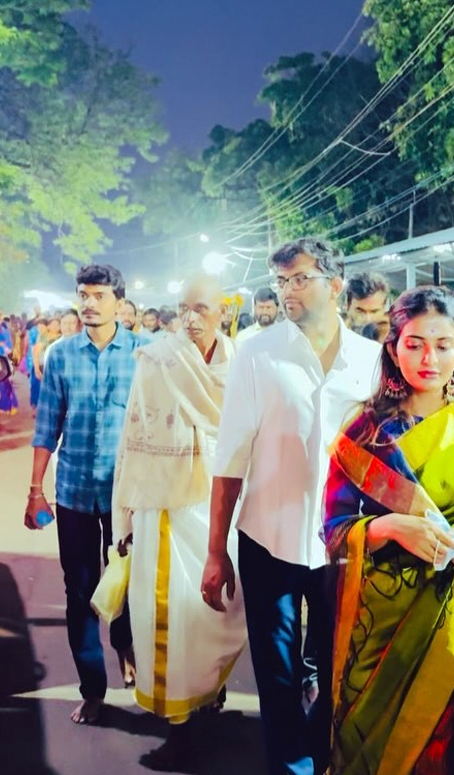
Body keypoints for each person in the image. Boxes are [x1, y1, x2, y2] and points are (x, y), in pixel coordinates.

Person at [201, 237, 381, 775]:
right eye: (281, 282)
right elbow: (230, 458)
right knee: (277, 669)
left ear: (335, 284)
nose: (287, 292)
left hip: (342, 544)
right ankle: (291, 764)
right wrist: (216, 551)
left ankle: (326, 753)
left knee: (336, 662)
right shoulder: (258, 352)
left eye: (300, 279)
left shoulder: (372, 361)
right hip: (267, 536)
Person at [325, 286, 454, 775]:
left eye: (441, 344)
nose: (428, 357)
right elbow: (333, 529)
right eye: (413, 344)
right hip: (381, 623)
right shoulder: (364, 432)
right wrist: (391, 526)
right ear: (393, 348)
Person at [112, 274, 247, 771]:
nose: (191, 318)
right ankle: (178, 726)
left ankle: (208, 694)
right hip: (165, 506)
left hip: (224, 502)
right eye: (183, 308)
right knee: (167, 613)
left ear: (224, 314)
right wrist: (123, 511)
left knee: (217, 611)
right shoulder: (156, 360)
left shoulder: (241, 362)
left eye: (202, 309)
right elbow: (132, 433)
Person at [25, 264, 146, 726]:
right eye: (83, 294)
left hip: (128, 497)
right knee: (78, 592)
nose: (90, 303)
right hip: (74, 491)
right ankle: (93, 689)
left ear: (119, 301)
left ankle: (125, 644)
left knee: (131, 585)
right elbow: (46, 426)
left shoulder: (145, 353)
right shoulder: (60, 355)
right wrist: (36, 491)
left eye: (99, 295)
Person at [0, 318, 18, 417]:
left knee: (4, 384)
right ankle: (8, 406)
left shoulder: (4, 331)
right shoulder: (4, 330)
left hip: (2, 360)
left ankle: (9, 406)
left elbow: (8, 348)